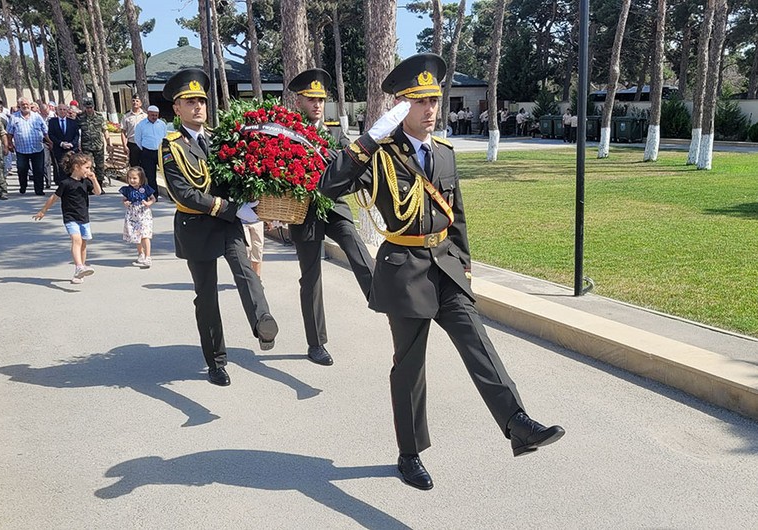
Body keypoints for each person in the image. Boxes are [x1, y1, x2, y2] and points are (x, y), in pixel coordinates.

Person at [320, 53, 565, 491]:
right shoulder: (379, 156)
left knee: (478, 342)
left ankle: (517, 424)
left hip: (447, 267)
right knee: (409, 367)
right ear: (400, 106)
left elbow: (458, 217)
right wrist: (367, 141)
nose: (431, 109)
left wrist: (466, 267)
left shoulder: (446, 155)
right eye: (419, 101)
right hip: (405, 270)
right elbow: (329, 185)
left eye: (434, 99)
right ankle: (409, 453)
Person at [159, 68, 278, 387]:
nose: (198, 106)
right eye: (190, 101)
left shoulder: (219, 138)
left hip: (226, 223)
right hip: (197, 225)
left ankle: (262, 321)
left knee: (246, 269)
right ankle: (216, 361)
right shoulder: (172, 145)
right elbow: (184, 192)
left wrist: (255, 195)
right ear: (177, 109)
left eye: (201, 100)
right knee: (207, 296)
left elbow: (235, 178)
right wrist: (232, 209)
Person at [285, 68, 374, 366]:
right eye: (311, 99)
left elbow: (355, 165)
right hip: (304, 212)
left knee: (354, 244)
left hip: (334, 206)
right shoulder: (287, 133)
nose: (318, 105)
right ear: (298, 101)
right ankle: (316, 343)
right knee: (311, 278)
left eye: (321, 99)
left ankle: (378, 294)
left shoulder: (335, 132)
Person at [33, 152, 103, 284]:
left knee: (83, 244)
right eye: (87, 168)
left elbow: (98, 192)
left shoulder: (85, 182)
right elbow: (54, 197)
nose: (89, 170)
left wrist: (94, 179)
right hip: (70, 217)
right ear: (77, 167)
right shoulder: (66, 183)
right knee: (76, 240)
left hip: (84, 217)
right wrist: (43, 211)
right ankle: (79, 267)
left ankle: (80, 272)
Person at [7, 97, 50, 195]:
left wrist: (49, 141)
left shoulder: (37, 116)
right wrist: (9, 144)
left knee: (38, 170)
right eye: (23, 105)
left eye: (27, 104)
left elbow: (45, 131)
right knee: (22, 169)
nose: (25, 106)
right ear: (19, 106)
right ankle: (23, 186)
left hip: (37, 148)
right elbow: (9, 133)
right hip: (22, 149)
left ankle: (39, 190)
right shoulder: (14, 117)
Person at [119, 166, 156, 268]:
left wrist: (148, 203)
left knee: (145, 235)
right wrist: (125, 202)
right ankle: (141, 254)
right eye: (130, 178)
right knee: (137, 235)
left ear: (141, 178)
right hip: (132, 214)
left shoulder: (146, 189)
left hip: (144, 213)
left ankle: (148, 257)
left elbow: (153, 198)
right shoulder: (127, 190)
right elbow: (124, 199)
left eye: (134, 178)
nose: (132, 180)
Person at [133, 105, 167, 201]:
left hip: (160, 152)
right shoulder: (141, 125)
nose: (154, 117)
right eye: (152, 115)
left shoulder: (162, 124)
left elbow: (165, 137)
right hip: (147, 152)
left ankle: (171, 194)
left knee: (167, 173)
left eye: (156, 115)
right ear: (148, 114)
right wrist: (145, 148)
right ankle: (154, 196)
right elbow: (137, 139)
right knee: (151, 176)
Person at [78, 98, 111, 187]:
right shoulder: (80, 117)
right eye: (87, 107)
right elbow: (76, 131)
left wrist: (108, 143)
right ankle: (90, 186)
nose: (89, 109)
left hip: (98, 146)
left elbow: (105, 130)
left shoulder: (99, 117)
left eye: (90, 107)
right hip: (86, 147)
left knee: (100, 166)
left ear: (93, 106)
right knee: (88, 166)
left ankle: (99, 185)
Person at [48, 103, 81, 182]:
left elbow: (76, 135)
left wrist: (72, 144)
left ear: (67, 111)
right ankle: (63, 187)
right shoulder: (52, 122)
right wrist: (61, 143)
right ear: (57, 111)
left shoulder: (72, 122)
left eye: (64, 109)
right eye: (60, 109)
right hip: (59, 149)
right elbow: (51, 135)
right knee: (62, 169)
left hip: (71, 149)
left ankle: (72, 186)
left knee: (71, 168)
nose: (62, 111)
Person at [121, 94, 146, 167]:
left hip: (143, 144)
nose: (135, 102)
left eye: (137, 101)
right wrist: (124, 146)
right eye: (133, 101)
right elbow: (123, 132)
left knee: (144, 165)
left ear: (140, 103)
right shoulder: (126, 116)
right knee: (134, 166)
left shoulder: (145, 116)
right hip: (132, 144)